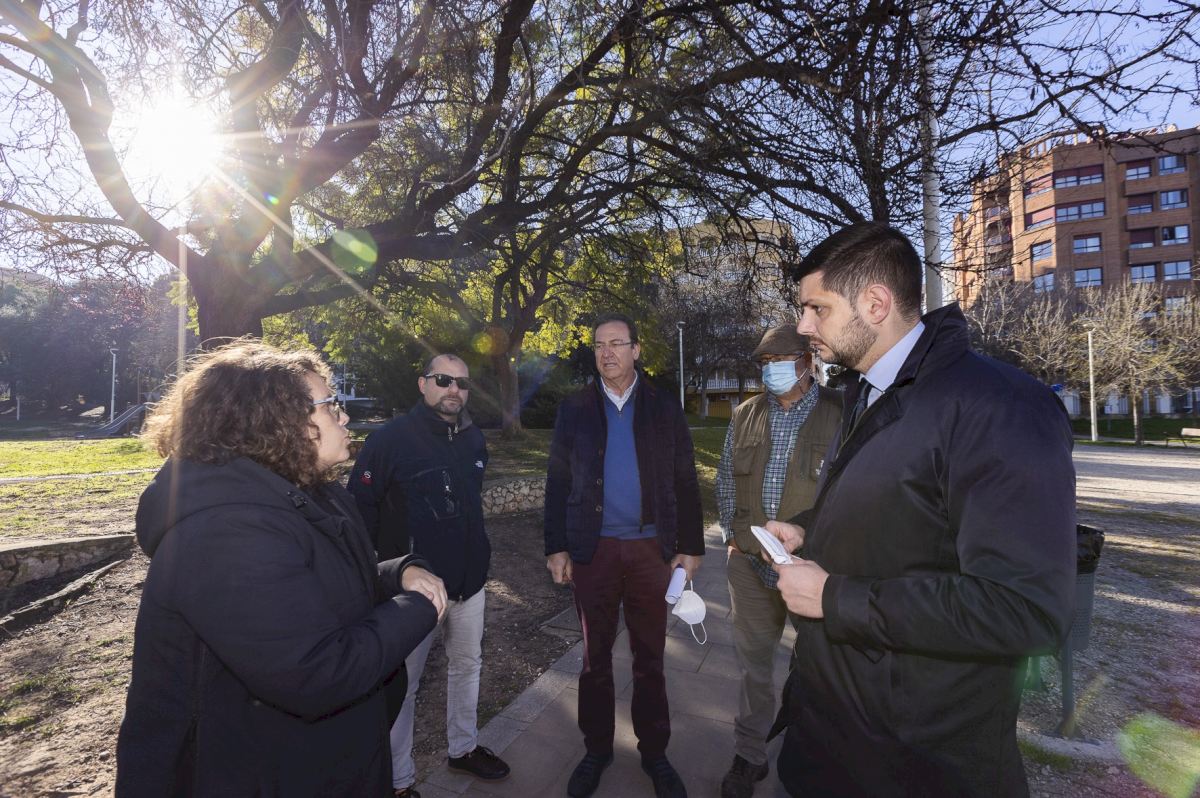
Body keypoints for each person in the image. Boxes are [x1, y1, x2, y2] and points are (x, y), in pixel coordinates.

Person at [763, 222, 1076, 797]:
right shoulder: (868, 389)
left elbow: (1023, 609)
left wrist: (833, 598)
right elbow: (905, 510)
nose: (803, 326)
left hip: (915, 764)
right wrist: (809, 530)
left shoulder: (999, 407)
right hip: (834, 740)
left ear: (875, 304)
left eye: (816, 308)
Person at [116, 340, 446, 797]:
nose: (344, 417)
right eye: (331, 405)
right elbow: (317, 674)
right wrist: (420, 607)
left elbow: (326, 587)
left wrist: (399, 573)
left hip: (318, 763)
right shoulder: (226, 530)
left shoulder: (310, 494)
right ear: (277, 420)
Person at [544, 312, 704, 798]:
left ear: (636, 350)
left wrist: (690, 547)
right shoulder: (575, 408)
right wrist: (556, 546)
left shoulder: (662, 405)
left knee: (649, 658)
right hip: (593, 551)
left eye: (616, 343)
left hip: (650, 551)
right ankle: (597, 749)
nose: (606, 353)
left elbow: (685, 477)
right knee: (594, 658)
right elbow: (558, 480)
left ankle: (654, 753)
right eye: (599, 345)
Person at [348, 353, 510, 797]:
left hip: (470, 583)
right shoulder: (389, 440)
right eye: (443, 380)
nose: (454, 389)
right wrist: (380, 576)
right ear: (423, 384)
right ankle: (398, 782)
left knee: (468, 667)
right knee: (403, 685)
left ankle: (463, 748)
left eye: (462, 383)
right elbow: (358, 513)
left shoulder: (473, 439)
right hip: (413, 593)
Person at [714, 325, 841, 798]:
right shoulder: (746, 413)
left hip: (813, 570)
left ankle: (815, 755)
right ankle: (749, 755)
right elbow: (725, 477)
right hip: (750, 565)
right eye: (765, 363)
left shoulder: (840, 412)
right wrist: (732, 536)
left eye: (781, 360)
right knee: (753, 667)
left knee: (819, 668)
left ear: (808, 361)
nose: (772, 370)